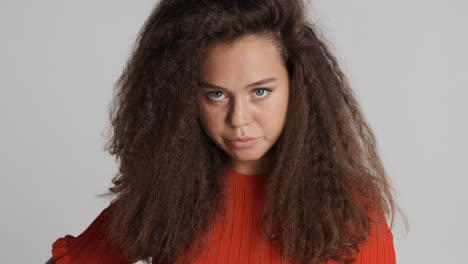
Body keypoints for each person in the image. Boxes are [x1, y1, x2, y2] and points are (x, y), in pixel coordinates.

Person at [46, 0, 406, 263]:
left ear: (299, 88)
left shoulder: (351, 207)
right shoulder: (166, 196)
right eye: (216, 94)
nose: (238, 118)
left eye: (260, 92)